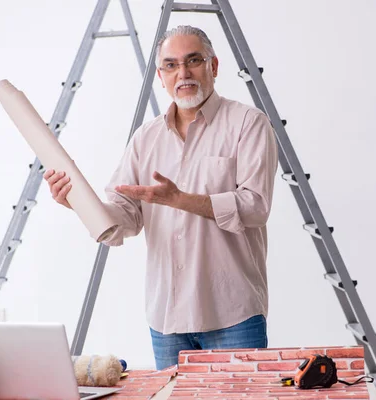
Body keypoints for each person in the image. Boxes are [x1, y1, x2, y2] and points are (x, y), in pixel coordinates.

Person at [43, 25, 279, 370]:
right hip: (167, 320)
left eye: (193, 61)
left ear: (213, 66)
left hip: (233, 315)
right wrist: (77, 203)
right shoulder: (146, 138)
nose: (182, 73)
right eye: (170, 65)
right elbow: (125, 216)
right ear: (160, 75)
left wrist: (180, 199)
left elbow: (256, 207)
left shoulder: (249, 123)